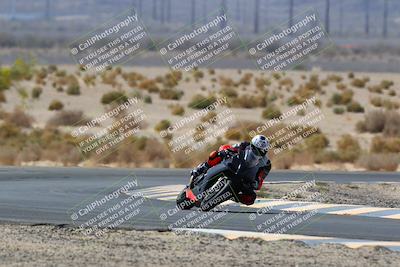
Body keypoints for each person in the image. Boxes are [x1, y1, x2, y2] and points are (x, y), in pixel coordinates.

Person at [190, 135, 272, 205]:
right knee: (217, 154)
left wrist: (256, 183)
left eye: (261, 151)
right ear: (252, 145)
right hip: (233, 165)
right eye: (255, 149)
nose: (258, 152)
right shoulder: (244, 145)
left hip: (245, 178)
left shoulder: (266, 164)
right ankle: (202, 168)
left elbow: (261, 178)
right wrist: (226, 151)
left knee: (250, 199)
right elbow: (232, 148)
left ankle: (230, 196)